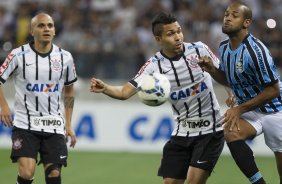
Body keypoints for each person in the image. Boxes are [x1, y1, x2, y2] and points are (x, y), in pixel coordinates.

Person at [90, 12, 224, 184]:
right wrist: (105, 88)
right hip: (181, 132)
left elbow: (225, 76)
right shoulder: (154, 65)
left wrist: (229, 92)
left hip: (210, 131)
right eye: (170, 34)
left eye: (179, 31)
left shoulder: (199, 49)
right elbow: (124, 92)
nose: (178, 37)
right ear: (158, 39)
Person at [198, 2, 282, 184]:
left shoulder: (256, 51)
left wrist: (239, 109)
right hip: (251, 110)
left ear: (246, 23)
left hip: (276, 111)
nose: (227, 18)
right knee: (229, 131)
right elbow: (230, 80)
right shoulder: (224, 48)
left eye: (234, 15)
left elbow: (274, 90)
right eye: (226, 14)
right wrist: (212, 69)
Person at [0, 12, 77, 184]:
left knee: (54, 174)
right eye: (41, 26)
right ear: (31, 30)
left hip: (54, 124)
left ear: (55, 30)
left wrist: (69, 124)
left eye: (50, 25)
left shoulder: (65, 58)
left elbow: (70, 90)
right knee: (27, 174)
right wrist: (3, 107)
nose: (46, 29)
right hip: (25, 124)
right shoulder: (18, 55)